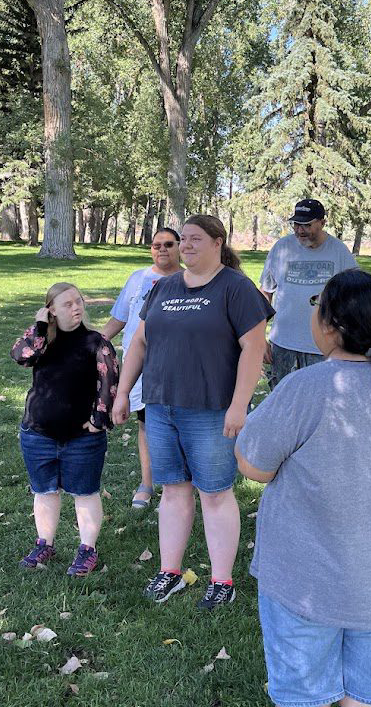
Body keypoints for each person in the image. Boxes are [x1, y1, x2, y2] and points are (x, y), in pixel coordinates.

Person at [236, 270, 371, 707]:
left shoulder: (303, 388)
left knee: (305, 697)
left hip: (305, 585)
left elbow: (252, 467)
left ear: (329, 326)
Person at [113, 214, 272, 611]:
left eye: (195, 239)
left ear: (218, 242)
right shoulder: (164, 287)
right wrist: (121, 393)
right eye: (182, 239)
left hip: (211, 409)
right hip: (162, 405)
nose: (185, 245)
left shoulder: (235, 288)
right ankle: (170, 572)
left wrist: (239, 406)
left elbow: (254, 350)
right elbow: (139, 344)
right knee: (173, 490)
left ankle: (222, 580)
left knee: (215, 493)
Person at [11, 282, 119, 577]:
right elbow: (20, 355)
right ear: (52, 311)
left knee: (84, 492)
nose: (76, 308)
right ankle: (44, 543)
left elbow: (109, 383)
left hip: (82, 437)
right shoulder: (42, 342)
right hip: (38, 431)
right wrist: (39, 327)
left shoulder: (96, 342)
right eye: (67, 304)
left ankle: (87, 549)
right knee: (44, 491)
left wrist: (99, 420)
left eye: (78, 302)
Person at [101, 228, 183, 509]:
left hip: (177, 368)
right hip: (140, 367)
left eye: (169, 244)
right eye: (156, 245)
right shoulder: (138, 279)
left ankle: (177, 488)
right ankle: (147, 484)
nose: (162, 249)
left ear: (180, 247)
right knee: (147, 425)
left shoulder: (190, 279)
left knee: (179, 426)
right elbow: (119, 319)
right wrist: (93, 344)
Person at [259, 199, 357, 388]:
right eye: (296, 224)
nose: (300, 230)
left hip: (324, 346)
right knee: (282, 401)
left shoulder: (338, 251)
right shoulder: (281, 248)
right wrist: (260, 338)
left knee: (320, 404)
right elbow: (265, 294)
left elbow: (355, 296)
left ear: (322, 223)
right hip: (283, 344)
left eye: (307, 225)